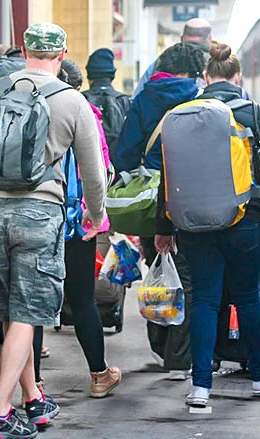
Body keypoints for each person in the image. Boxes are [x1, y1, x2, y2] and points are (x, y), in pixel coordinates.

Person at [0, 23, 107, 439]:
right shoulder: (72, 101)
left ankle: (33, 398)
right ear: (61, 55)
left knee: (10, 309)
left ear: (24, 50)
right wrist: (95, 216)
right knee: (28, 313)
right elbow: (93, 173)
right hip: (40, 216)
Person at [155, 42, 260, 407]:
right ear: (238, 77)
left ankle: (200, 386)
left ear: (206, 78)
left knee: (204, 299)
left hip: (192, 225)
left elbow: (166, 177)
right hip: (245, 222)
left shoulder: (181, 114)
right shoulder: (258, 114)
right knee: (250, 297)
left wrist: (164, 228)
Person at [113, 42, 205, 381]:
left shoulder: (145, 96)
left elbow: (124, 151)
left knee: (157, 269)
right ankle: (179, 357)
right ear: (192, 70)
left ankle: (159, 342)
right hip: (189, 196)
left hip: (153, 200)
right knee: (188, 279)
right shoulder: (199, 97)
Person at [54, 58, 122, 399]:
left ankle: (31, 383)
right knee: (82, 299)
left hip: (36, 215)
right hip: (77, 221)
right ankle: (99, 375)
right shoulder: (85, 113)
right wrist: (96, 215)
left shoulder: (33, 107)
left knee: (30, 307)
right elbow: (100, 170)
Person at [134, 18, 212, 97]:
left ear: (181, 39)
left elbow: (137, 96)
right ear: (210, 40)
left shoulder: (161, 61)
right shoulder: (216, 62)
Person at [84, 48, 131, 152]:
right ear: (112, 77)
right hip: (120, 166)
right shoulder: (125, 101)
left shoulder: (81, 100)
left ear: (89, 77)